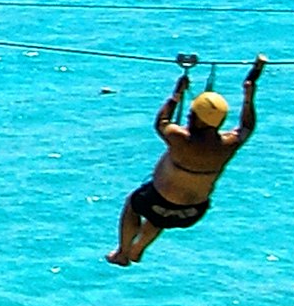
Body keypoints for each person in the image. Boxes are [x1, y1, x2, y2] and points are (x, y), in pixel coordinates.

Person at [110, 54, 264, 266]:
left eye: (192, 115)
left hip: (159, 201)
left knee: (135, 204)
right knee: (158, 218)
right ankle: (137, 250)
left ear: (197, 119)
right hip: (192, 212)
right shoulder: (228, 144)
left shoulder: (180, 138)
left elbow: (161, 122)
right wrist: (249, 92)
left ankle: (123, 252)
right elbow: (247, 126)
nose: (189, 117)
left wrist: (176, 95)